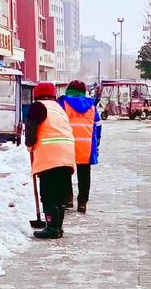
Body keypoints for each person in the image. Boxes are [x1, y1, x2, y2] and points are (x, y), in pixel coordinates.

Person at [25, 82, 75, 239]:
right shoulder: (59, 109)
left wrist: (29, 143)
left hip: (50, 157)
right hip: (67, 155)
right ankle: (57, 227)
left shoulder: (38, 106)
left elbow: (31, 127)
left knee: (48, 193)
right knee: (60, 194)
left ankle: (52, 228)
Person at [58, 80, 102, 214]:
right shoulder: (91, 106)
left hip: (67, 144)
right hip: (86, 146)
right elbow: (98, 125)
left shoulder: (62, 104)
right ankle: (82, 203)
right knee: (84, 174)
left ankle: (68, 199)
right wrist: (97, 141)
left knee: (65, 173)